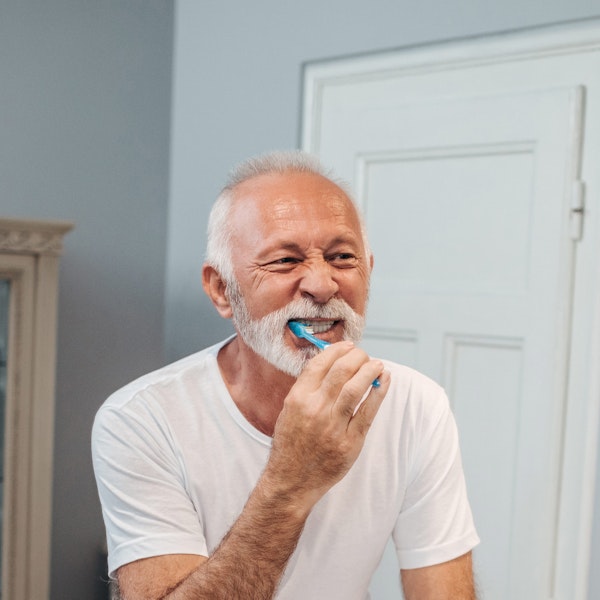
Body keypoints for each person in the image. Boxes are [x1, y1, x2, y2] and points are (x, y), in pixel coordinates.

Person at [92, 150, 480, 600]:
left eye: (341, 257)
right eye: (284, 261)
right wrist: (291, 480)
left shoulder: (416, 405)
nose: (323, 285)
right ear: (222, 290)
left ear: (367, 273)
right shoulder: (140, 421)